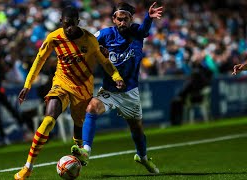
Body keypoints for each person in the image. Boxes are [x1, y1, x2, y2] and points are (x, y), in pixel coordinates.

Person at [14, 6, 125, 180]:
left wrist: (116, 76)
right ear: (61, 23)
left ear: (78, 22)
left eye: (72, 24)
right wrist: (27, 85)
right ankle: (28, 167)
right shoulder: (54, 38)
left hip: (83, 89)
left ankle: (79, 157)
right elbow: (39, 60)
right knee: (49, 119)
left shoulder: (89, 40)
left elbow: (105, 62)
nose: (69, 28)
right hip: (61, 84)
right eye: (66, 25)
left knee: (78, 127)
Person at [70, 2, 162, 174]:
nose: (122, 23)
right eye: (119, 19)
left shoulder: (136, 32)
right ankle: (86, 151)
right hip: (109, 90)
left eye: (125, 19)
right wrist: (94, 51)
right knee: (92, 107)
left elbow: (144, 31)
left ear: (130, 19)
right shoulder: (104, 35)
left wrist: (148, 18)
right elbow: (86, 46)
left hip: (130, 93)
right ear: (114, 19)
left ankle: (142, 157)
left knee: (137, 129)